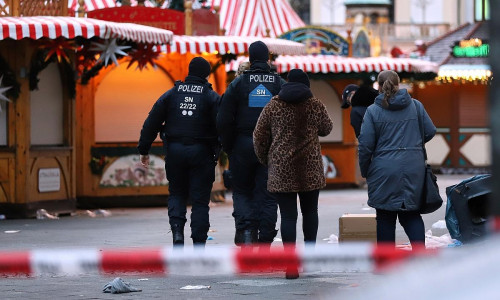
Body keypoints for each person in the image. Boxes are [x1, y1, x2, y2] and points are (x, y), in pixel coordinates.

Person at [253, 69, 333, 279]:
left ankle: (290, 266)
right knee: (310, 212)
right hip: (309, 167)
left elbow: (259, 136)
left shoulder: (273, 105)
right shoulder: (315, 104)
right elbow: (327, 128)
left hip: (282, 168)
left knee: (288, 216)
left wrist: (267, 160)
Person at [137, 56, 220, 247]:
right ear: (207, 74)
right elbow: (222, 124)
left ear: (189, 72)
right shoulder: (211, 96)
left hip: (174, 151)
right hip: (202, 152)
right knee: (200, 200)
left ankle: (177, 235)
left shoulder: (172, 93)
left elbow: (152, 121)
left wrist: (144, 149)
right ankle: (199, 243)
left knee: (177, 194)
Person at [217, 41, 286, 246]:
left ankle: (246, 234)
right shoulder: (279, 83)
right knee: (268, 194)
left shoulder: (238, 84)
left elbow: (223, 119)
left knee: (242, 191)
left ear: (249, 58)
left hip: (242, 145)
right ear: (268, 58)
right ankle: (265, 240)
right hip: (270, 147)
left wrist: (229, 146)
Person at [358, 70, 436, 249]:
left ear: (378, 86)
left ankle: (386, 263)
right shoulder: (416, 106)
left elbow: (365, 146)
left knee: (385, 216)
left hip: (383, 169)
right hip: (413, 166)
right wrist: (413, 143)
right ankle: (419, 256)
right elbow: (430, 131)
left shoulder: (373, 111)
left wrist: (365, 170)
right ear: (398, 84)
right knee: (411, 213)